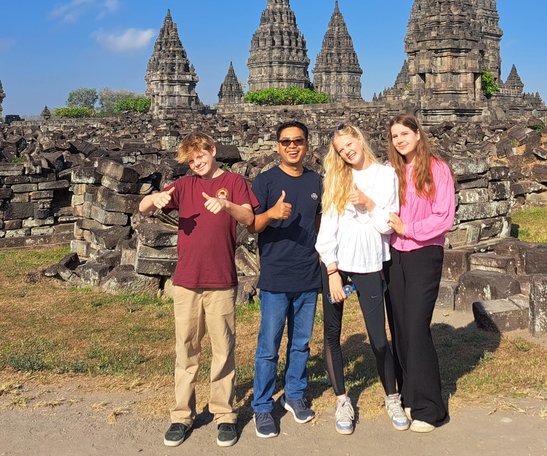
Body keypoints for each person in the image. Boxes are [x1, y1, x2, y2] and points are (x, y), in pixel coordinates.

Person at [138, 133, 258, 448]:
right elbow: (143, 206)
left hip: (221, 280)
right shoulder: (184, 185)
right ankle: (182, 415)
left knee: (223, 350)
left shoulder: (234, 182)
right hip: (187, 281)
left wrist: (226, 204)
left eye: (200, 156)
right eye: (191, 161)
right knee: (186, 349)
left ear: (213, 151)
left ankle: (224, 414)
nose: (197, 163)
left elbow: (249, 217)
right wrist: (155, 199)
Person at [315, 124, 409, 435]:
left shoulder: (385, 175)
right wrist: (331, 271)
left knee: (378, 338)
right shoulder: (336, 178)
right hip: (337, 265)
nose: (347, 152)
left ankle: (391, 396)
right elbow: (327, 227)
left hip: (369, 264)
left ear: (360, 139)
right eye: (340, 150)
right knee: (332, 334)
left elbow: (388, 224)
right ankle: (342, 399)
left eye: (349, 145)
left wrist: (367, 202)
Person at [247, 121, 323, 438]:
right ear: (277, 146)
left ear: (307, 145)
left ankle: (294, 394)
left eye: (299, 141)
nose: (292, 146)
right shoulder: (265, 181)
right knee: (268, 346)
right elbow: (251, 225)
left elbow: (321, 222)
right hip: (276, 276)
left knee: (301, 344)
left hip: (308, 274)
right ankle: (263, 407)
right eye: (286, 141)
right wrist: (271, 214)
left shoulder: (316, 180)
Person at [385, 113, 455, 433]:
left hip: (424, 254)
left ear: (417, 134)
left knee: (416, 327)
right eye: (394, 136)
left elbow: (444, 218)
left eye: (404, 134)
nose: (400, 140)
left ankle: (430, 407)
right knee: (399, 327)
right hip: (394, 256)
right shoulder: (391, 172)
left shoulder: (437, 169)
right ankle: (410, 394)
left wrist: (408, 228)